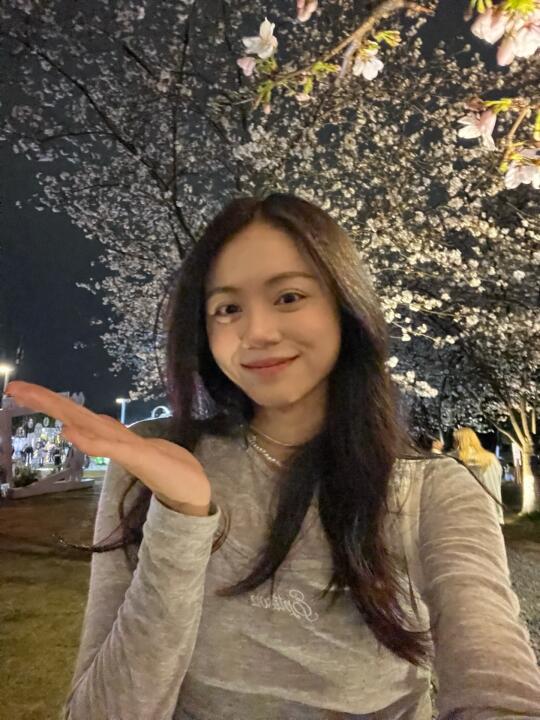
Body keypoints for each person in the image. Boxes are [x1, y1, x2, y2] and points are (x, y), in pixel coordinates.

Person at [5, 194, 540, 720]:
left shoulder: (432, 489)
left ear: (345, 306)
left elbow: (496, 679)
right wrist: (181, 516)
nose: (257, 332)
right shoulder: (152, 460)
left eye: (288, 297)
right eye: (228, 308)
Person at [452, 427, 505, 525]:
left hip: (467, 510)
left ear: (457, 442)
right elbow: (496, 482)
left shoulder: (456, 460)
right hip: (491, 508)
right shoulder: (491, 458)